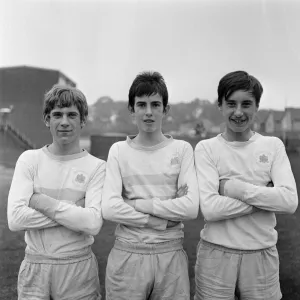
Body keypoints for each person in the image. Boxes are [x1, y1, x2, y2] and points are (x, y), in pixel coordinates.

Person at [194, 70, 298, 300]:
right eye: (231, 104)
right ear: (220, 105)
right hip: (216, 255)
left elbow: (289, 202)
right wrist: (267, 197)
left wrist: (233, 189)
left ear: (257, 106)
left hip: (262, 254)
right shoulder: (206, 148)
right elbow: (210, 209)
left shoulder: (273, 146)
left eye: (246, 104)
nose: (238, 112)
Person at [102, 71, 199, 300]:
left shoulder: (182, 150)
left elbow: (190, 208)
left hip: (170, 256)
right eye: (141, 104)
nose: (148, 112)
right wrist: (156, 221)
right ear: (131, 109)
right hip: (127, 255)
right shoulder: (119, 151)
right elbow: (109, 208)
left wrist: (136, 204)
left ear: (165, 109)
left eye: (155, 105)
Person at [7, 85, 105, 299]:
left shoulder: (97, 167)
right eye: (57, 115)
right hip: (35, 266)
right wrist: (74, 211)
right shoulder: (30, 160)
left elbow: (93, 223)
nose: (64, 122)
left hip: (77, 268)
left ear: (83, 120)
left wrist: (40, 202)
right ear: (46, 119)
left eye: (72, 115)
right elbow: (15, 219)